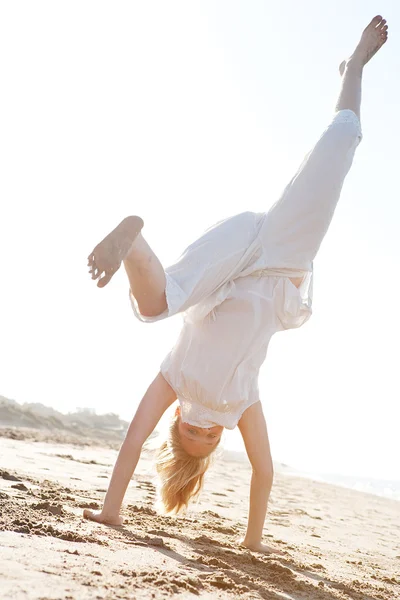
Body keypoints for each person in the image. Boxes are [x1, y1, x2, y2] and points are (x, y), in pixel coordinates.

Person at [84, 17, 388, 553]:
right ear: (219, 438)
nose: (202, 427)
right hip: (282, 258)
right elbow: (264, 471)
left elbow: (133, 440)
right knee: (343, 140)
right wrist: (252, 544)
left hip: (240, 253)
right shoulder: (242, 403)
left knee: (159, 307)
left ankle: (131, 243)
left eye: (191, 432)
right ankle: (353, 72)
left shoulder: (173, 380)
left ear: (176, 421)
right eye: (207, 436)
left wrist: (112, 511)